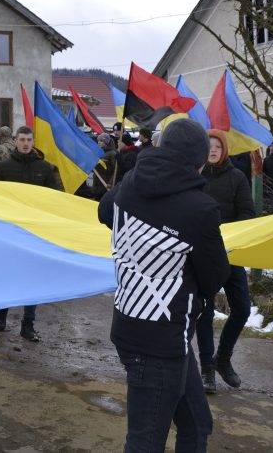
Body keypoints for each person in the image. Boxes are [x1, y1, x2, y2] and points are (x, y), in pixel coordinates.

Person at [98, 118, 230, 452]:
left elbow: (104, 211)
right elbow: (216, 275)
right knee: (145, 441)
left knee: (198, 425)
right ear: (198, 163)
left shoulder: (131, 182)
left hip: (151, 333)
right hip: (157, 341)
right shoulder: (200, 209)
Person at [196, 130, 255, 394]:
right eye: (208, 146)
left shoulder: (237, 177)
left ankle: (223, 359)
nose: (213, 150)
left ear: (225, 150)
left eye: (217, 146)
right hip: (202, 255)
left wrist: (227, 233)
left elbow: (248, 213)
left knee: (242, 308)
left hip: (231, 252)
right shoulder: (193, 177)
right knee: (204, 313)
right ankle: (206, 368)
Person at [0, 126, 63, 341]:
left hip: (35, 231)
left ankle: (28, 324)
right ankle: (1, 315)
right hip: (10, 229)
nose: (25, 143)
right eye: (21, 139)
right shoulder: (4, 167)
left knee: (33, 277)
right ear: (15, 141)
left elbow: (56, 198)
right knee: (7, 273)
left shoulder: (45, 168)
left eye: (28, 140)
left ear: (33, 142)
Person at [88, 133, 119, 200]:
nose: (99, 142)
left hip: (105, 183)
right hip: (97, 181)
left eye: (101, 141)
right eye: (98, 140)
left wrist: (110, 182)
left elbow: (116, 170)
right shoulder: (98, 152)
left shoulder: (112, 153)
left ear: (106, 142)